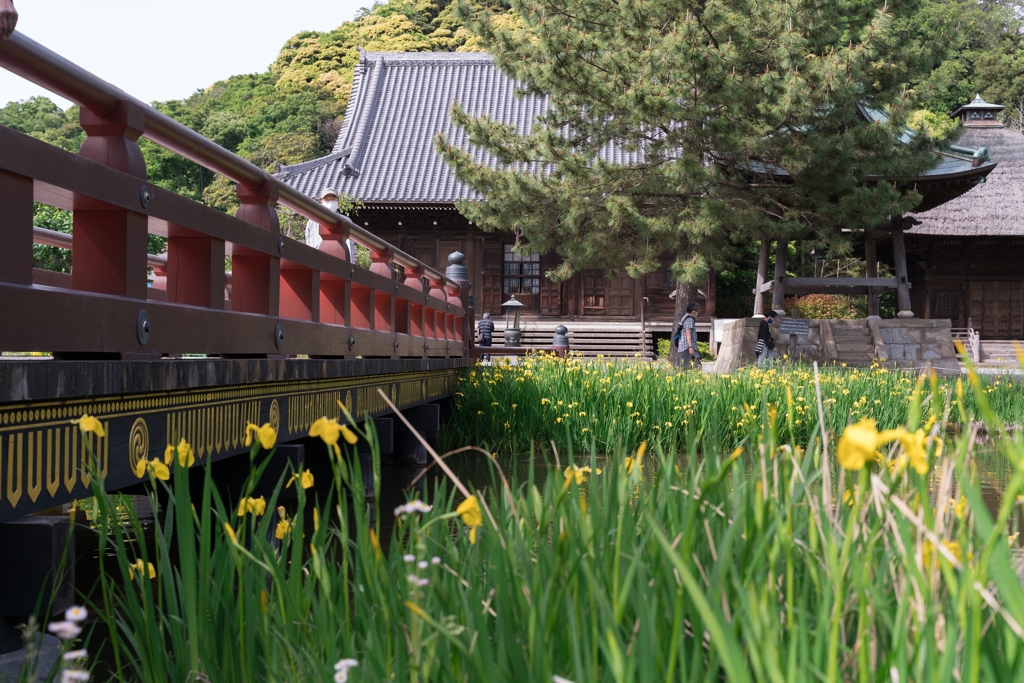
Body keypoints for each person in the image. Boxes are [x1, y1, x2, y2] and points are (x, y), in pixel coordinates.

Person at [674, 302, 701, 370]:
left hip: (683, 347)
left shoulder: (684, 318)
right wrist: (691, 347)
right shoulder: (689, 320)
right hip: (687, 347)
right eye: (697, 311)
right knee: (697, 368)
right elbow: (688, 334)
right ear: (693, 312)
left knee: (685, 369)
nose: (698, 312)